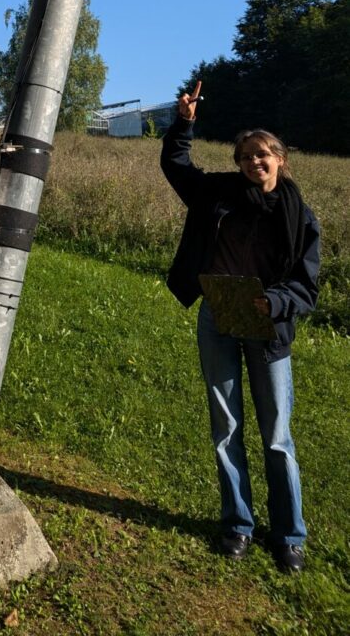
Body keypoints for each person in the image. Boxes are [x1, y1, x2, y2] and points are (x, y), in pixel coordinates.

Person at [160, 81, 320, 573]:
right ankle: (238, 525)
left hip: (268, 327)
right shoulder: (218, 195)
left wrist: (273, 302)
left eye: (262, 155)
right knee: (225, 425)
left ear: (280, 160)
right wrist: (184, 123)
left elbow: (306, 287)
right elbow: (177, 167)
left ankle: (289, 535)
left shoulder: (299, 216)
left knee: (277, 436)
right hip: (217, 316)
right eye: (246, 156)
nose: (254, 162)